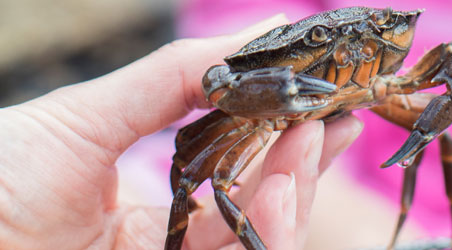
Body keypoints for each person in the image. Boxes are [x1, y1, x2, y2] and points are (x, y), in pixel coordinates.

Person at [0, 15, 363, 249]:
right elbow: (187, 156)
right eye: (319, 39)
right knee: (197, 178)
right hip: (258, 114)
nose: (346, 54)